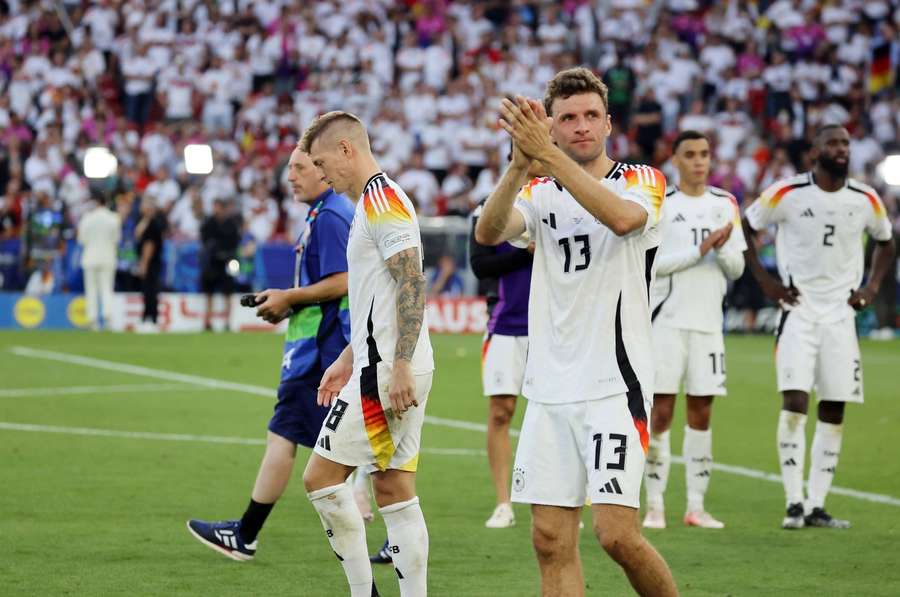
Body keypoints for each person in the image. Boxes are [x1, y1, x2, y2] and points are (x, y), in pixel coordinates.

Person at [475, 68, 677, 597]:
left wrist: (549, 157)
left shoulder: (643, 180)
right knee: (548, 538)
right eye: (567, 118)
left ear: (609, 123)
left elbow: (623, 220)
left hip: (614, 385)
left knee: (615, 534)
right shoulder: (539, 192)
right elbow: (488, 232)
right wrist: (520, 165)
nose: (581, 126)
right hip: (548, 389)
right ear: (553, 127)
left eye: (591, 115)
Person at [186, 147, 355, 560]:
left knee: (301, 445)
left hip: (319, 350)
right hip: (319, 343)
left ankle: (246, 534)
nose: (290, 177)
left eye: (299, 168)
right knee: (339, 448)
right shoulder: (325, 213)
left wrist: (290, 297)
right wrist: (285, 301)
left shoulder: (331, 216)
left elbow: (345, 280)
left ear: (324, 170)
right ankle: (247, 532)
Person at [302, 111, 434, 597]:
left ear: (346, 150)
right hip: (385, 364)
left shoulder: (382, 200)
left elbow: (411, 281)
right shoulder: (372, 204)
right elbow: (379, 298)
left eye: (321, 162)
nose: (321, 174)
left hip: (387, 373)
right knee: (395, 490)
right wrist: (346, 358)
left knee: (320, 479)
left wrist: (397, 365)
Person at [742, 124, 895, 530]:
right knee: (794, 403)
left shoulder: (865, 198)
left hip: (841, 318)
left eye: (846, 142)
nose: (841, 148)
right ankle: (793, 502)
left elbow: (886, 239)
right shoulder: (786, 193)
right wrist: (766, 282)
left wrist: (873, 286)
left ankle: (817, 504)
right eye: (833, 142)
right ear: (815, 152)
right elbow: (746, 226)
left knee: (834, 407)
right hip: (799, 312)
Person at [643, 130, 747, 531]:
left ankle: (696, 506)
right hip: (666, 322)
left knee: (702, 414)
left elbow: (736, 268)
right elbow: (651, 266)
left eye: (704, 154)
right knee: (662, 413)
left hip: (708, 325)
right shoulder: (661, 204)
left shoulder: (725, 204)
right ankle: (654, 505)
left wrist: (721, 247)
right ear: (676, 160)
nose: (699, 161)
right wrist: (700, 250)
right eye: (690, 154)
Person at [469, 179, 534, 529]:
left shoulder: (566, 200)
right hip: (506, 324)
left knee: (559, 413)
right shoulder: (489, 208)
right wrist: (524, 251)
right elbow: (480, 266)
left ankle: (560, 499)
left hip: (554, 328)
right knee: (500, 413)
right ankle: (503, 502)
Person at [77, 197, 121, 331]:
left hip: (90, 257)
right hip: (107, 257)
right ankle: (107, 317)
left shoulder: (87, 218)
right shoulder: (113, 218)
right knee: (106, 289)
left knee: (91, 289)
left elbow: (81, 240)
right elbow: (117, 239)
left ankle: (93, 320)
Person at [199, 199, 241, 331]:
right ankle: (207, 321)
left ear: (223, 209)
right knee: (209, 293)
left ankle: (227, 322)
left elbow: (235, 242)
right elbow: (204, 241)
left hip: (227, 261)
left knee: (228, 292)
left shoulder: (231, 224)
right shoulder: (208, 223)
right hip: (211, 262)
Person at [134, 196, 165, 333]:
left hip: (151, 261)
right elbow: (137, 234)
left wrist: (144, 263)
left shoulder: (153, 224)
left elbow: (149, 245)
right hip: (150, 261)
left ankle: (150, 318)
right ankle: (149, 317)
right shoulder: (146, 222)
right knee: (148, 290)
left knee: (150, 290)